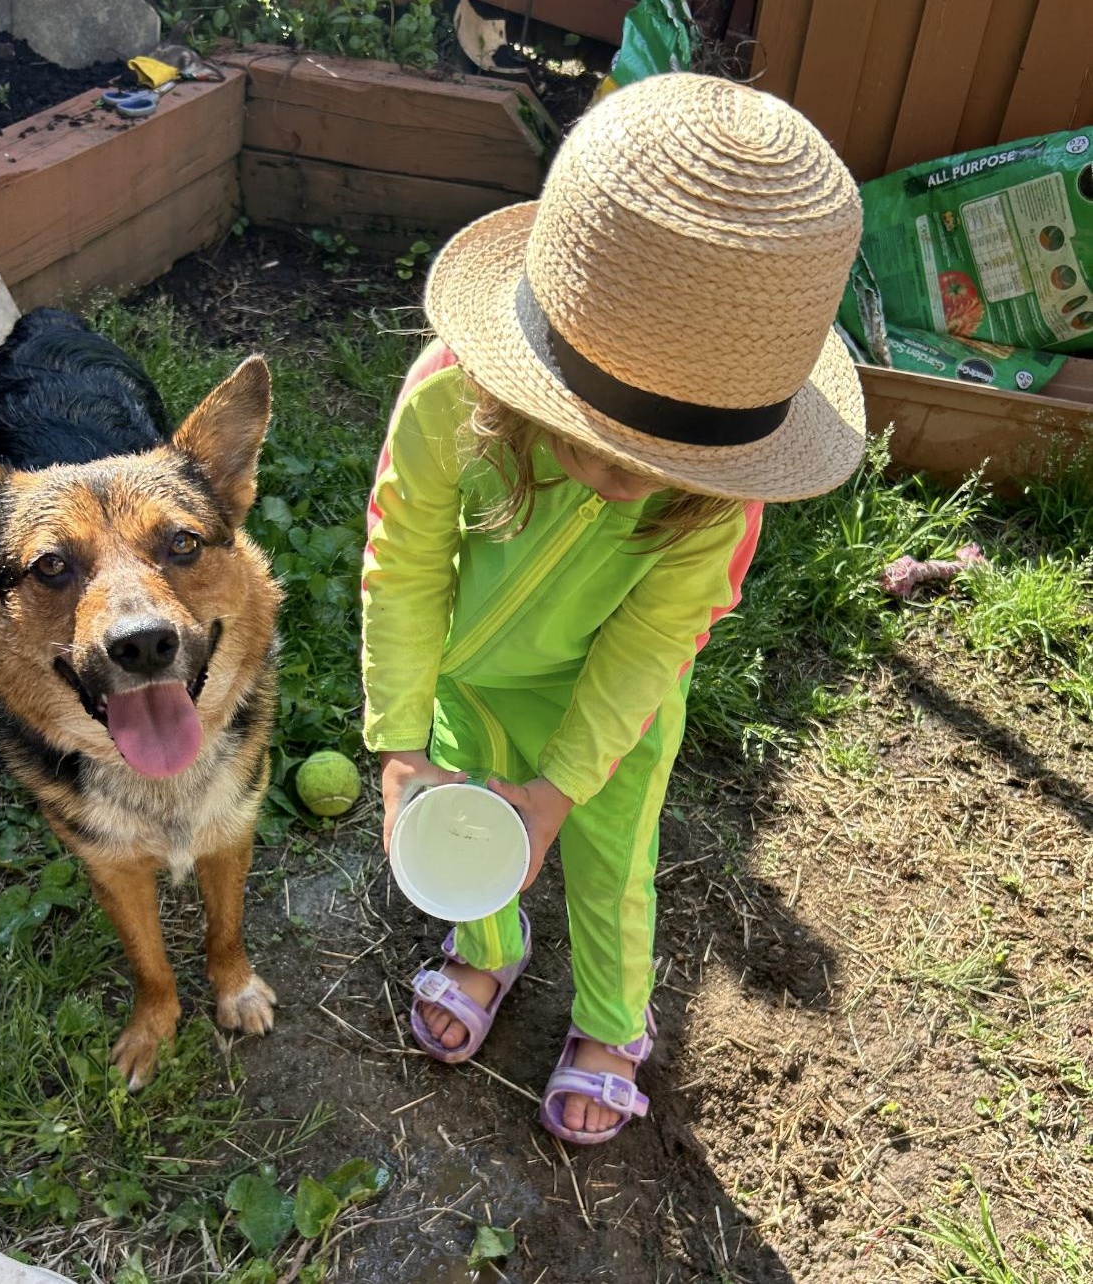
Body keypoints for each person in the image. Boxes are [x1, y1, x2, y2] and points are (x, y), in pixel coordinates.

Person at [359, 72, 866, 1145]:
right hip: (468, 680)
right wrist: (402, 740)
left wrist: (559, 787)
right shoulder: (448, 396)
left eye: (662, 463)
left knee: (608, 863)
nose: (624, 481)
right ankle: (486, 949)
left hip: (608, 712)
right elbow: (402, 566)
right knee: (462, 822)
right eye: (590, 441)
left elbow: (647, 647)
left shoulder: (721, 506)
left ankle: (610, 1025)